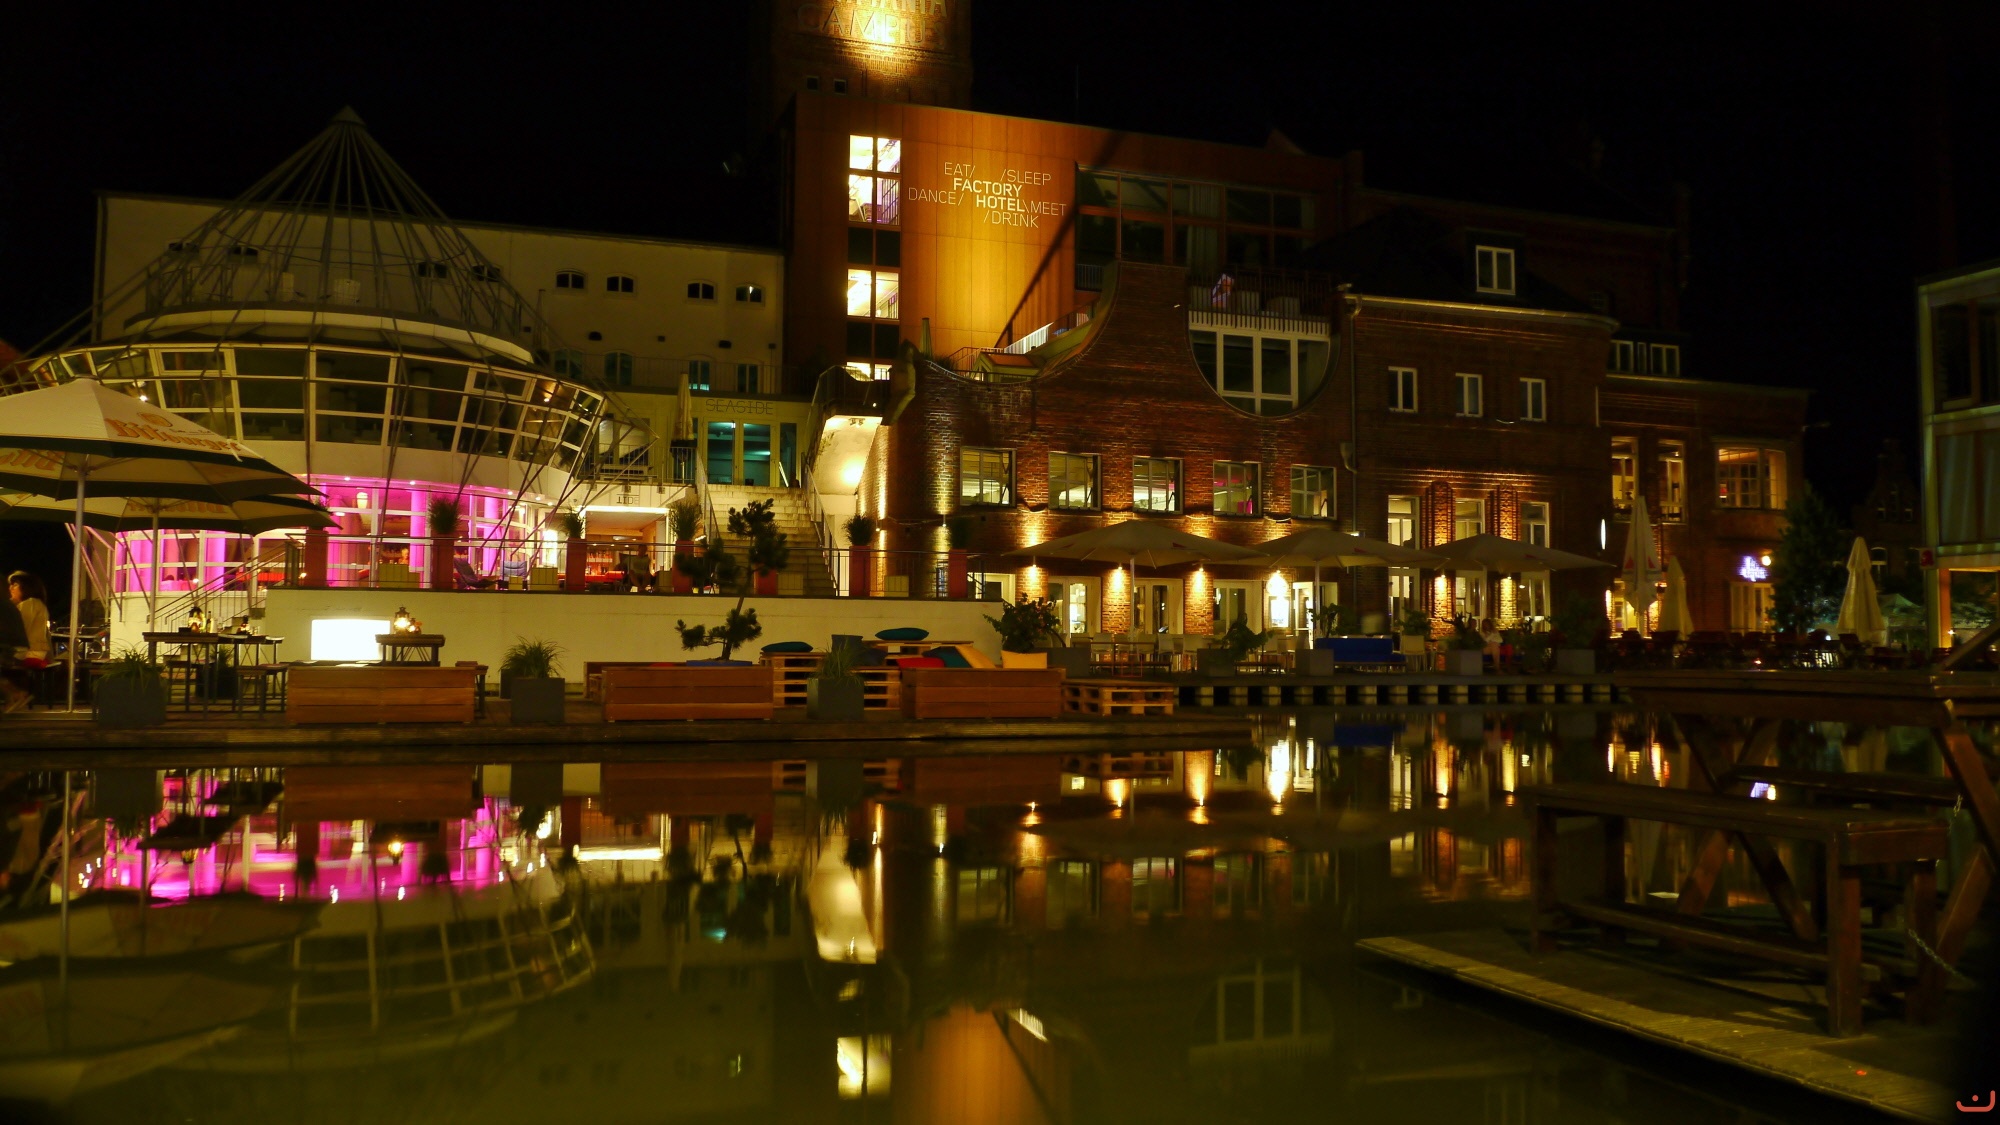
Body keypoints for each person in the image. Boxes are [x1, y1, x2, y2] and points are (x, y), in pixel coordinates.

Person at [8, 572, 50, 667]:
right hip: (34, 653)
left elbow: (17, 630)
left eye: (15, 585)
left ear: (27, 587)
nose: (10, 588)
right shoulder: (38, 604)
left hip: (26, 653)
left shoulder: (30, 603)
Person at [0, 594, 31, 713]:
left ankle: (15, 694)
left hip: (11, 647)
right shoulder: (6, 603)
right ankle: (13, 697)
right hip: (18, 646)